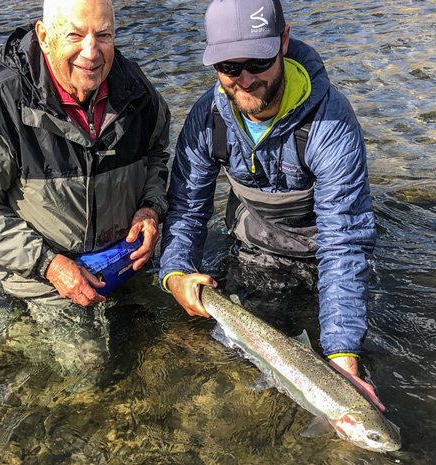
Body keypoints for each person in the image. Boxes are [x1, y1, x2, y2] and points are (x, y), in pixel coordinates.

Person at [159, 0, 383, 408]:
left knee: (350, 356)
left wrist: (342, 355)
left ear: (282, 42)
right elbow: (187, 210)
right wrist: (175, 272)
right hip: (252, 250)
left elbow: (344, 242)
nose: (245, 79)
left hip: (322, 255)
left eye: (259, 62)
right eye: (229, 67)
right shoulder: (206, 119)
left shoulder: (331, 125)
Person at [0, 0, 170, 308]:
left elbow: (157, 154)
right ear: (45, 36)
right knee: (88, 358)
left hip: (128, 267)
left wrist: (150, 208)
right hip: (45, 289)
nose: (91, 53)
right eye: (75, 36)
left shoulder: (136, 90)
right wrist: (49, 264)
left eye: (103, 36)